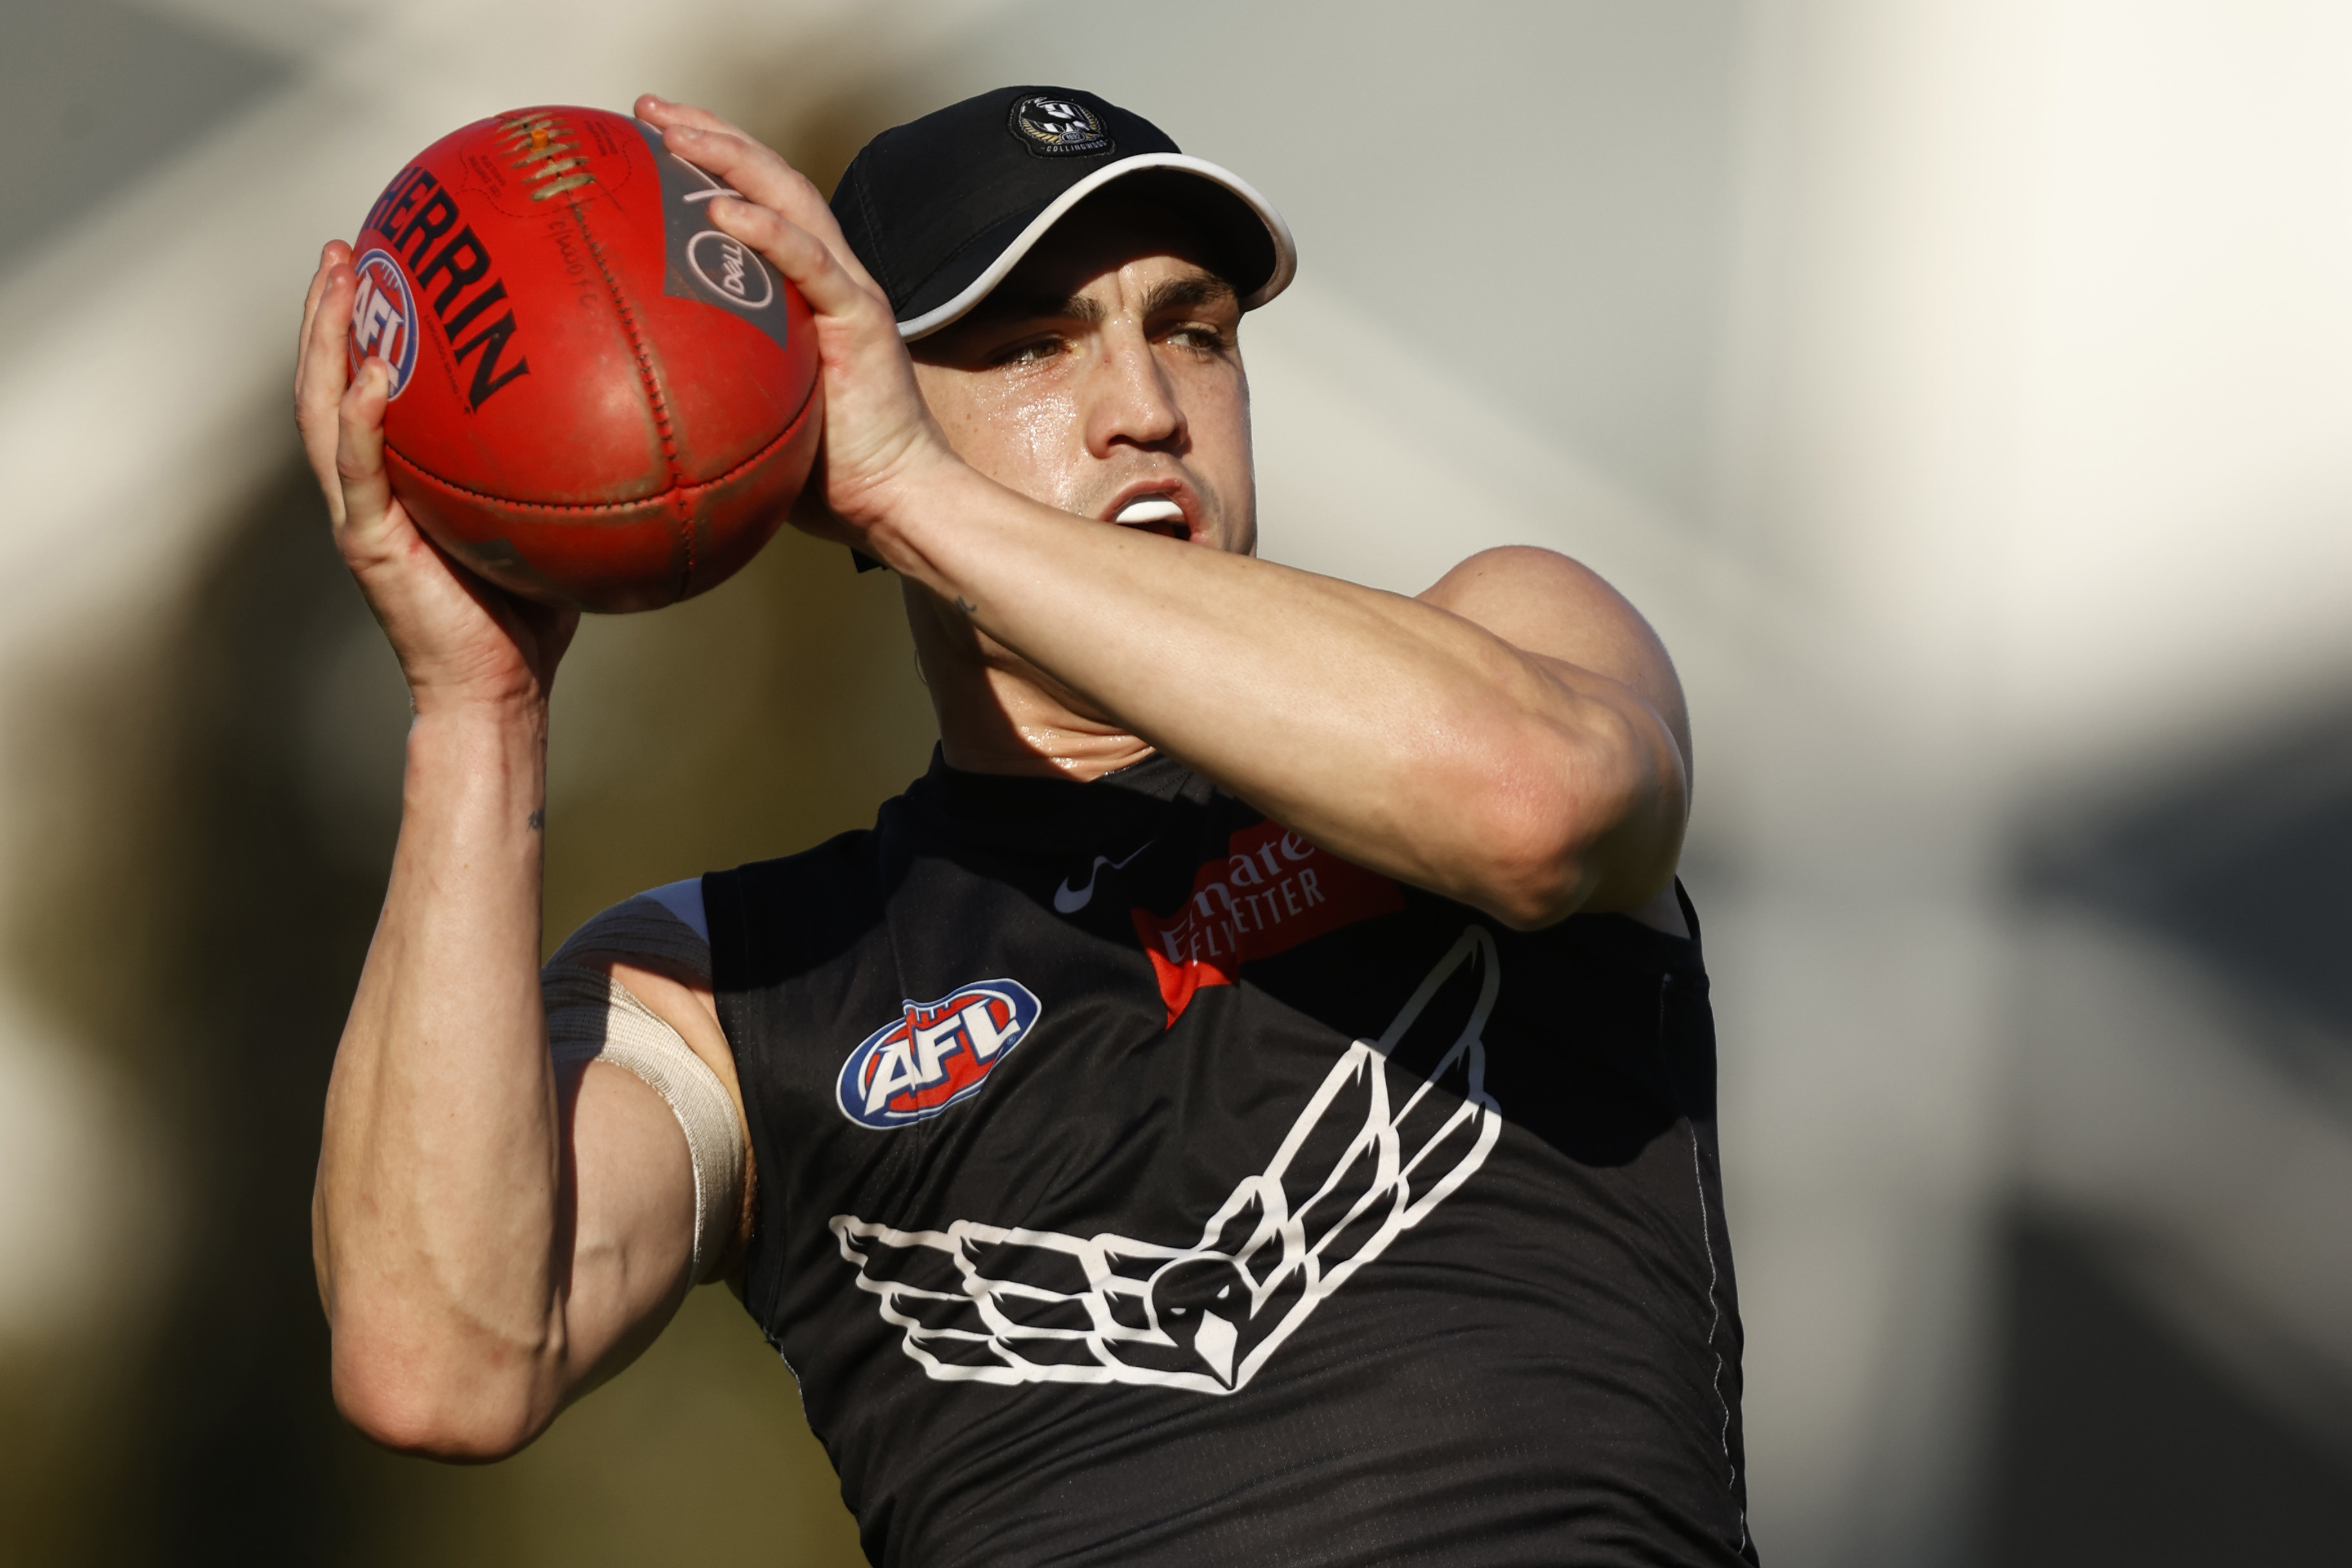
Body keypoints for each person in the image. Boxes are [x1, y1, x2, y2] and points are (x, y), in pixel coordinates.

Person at [295, 84, 1755, 1566]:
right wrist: (478, 715)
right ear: (831, 431)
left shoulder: (1514, 629)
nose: (1149, 404)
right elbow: (445, 1357)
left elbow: (1533, 805)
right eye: (1031, 345)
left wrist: (914, 489)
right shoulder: (733, 981)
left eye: (1192, 328)